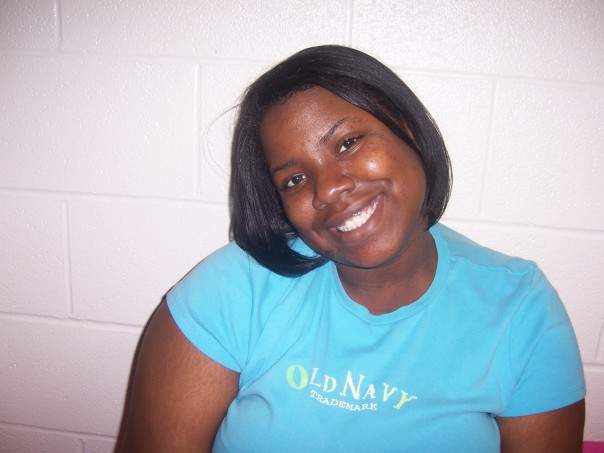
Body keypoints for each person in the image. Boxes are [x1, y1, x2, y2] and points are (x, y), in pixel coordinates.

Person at [115, 45, 585, 453]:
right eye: (295, 179)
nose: (328, 189)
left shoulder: (519, 309)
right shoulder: (232, 289)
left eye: (348, 143)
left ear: (408, 129)